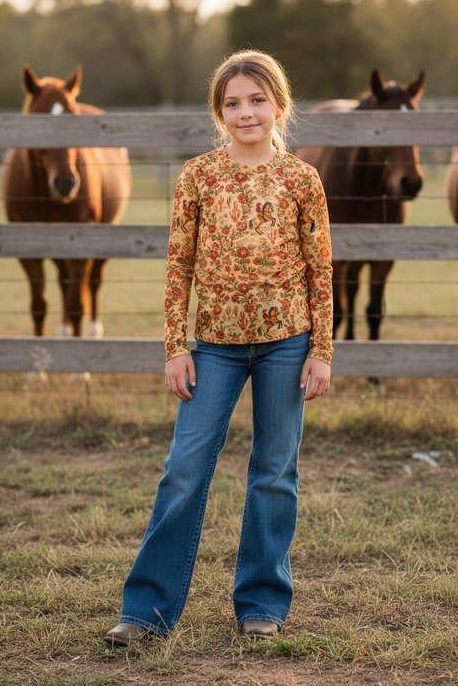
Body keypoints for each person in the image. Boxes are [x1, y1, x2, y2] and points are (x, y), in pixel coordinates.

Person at [105, 50, 333, 645]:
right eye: (232, 102)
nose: (245, 112)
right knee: (183, 469)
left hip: (288, 341)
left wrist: (322, 350)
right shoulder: (199, 176)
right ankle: (147, 609)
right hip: (214, 345)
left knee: (273, 472)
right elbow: (178, 265)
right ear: (219, 113)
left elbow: (320, 270)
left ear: (279, 106)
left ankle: (261, 602)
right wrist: (175, 347)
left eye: (257, 99)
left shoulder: (301, 179)